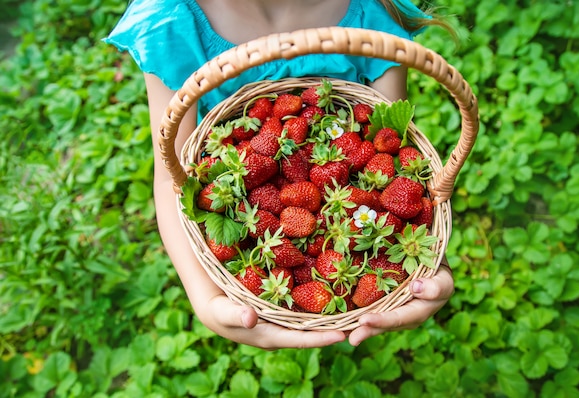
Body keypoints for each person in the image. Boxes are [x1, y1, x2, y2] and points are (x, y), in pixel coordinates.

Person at [104, 0, 455, 349]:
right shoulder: (170, 21)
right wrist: (207, 299)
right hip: (236, 175)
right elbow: (172, 178)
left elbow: (391, 153)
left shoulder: (374, 13)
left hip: (337, 208)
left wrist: (430, 261)